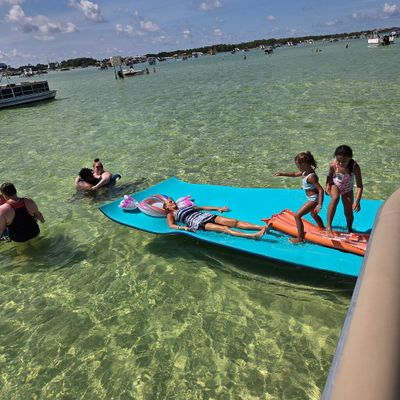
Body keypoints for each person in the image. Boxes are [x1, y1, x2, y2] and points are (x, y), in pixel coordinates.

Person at [273, 151, 324, 243]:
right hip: (311, 199)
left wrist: (319, 204)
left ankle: (300, 238)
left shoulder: (311, 177)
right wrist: (282, 174)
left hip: (314, 199)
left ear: (304, 164)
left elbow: (320, 190)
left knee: (297, 215)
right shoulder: (305, 172)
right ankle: (322, 229)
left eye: (298, 165)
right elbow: (294, 174)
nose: (297, 167)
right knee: (313, 214)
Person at [163, 199, 269, 240]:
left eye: (172, 200)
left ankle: (262, 227)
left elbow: (202, 208)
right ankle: (252, 236)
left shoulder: (185, 207)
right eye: (170, 202)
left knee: (234, 222)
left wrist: (218, 208)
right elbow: (171, 225)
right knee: (225, 229)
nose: (173, 202)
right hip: (197, 223)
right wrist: (184, 228)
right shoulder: (170, 214)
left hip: (206, 216)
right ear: (167, 208)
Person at [325, 145, 363, 237]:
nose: (341, 163)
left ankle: (349, 228)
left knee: (348, 212)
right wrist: (327, 185)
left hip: (348, 189)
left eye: (344, 161)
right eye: (339, 160)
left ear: (350, 158)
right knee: (335, 198)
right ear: (336, 158)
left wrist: (357, 201)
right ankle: (328, 226)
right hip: (336, 185)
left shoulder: (354, 167)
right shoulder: (333, 165)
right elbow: (329, 176)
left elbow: (359, 186)